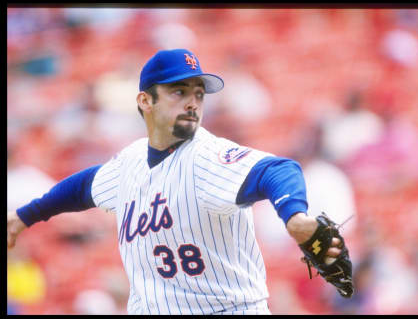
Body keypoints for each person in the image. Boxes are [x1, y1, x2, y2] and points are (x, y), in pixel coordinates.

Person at [7, 49, 346, 315]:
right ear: (145, 101)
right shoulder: (129, 163)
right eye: (178, 91)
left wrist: (295, 217)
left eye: (198, 94)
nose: (192, 102)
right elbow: (83, 187)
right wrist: (26, 216)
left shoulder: (207, 157)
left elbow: (276, 170)